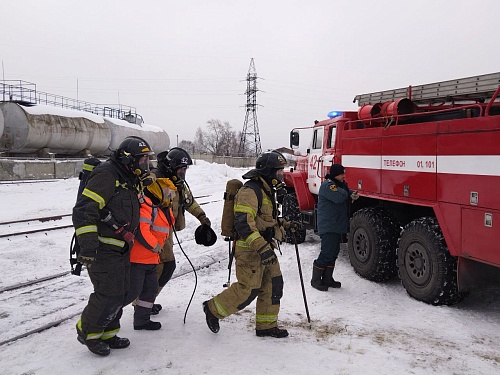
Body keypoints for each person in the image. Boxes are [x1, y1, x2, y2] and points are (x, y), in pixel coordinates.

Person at [73, 136, 154, 356]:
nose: (145, 165)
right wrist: (88, 247)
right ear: (129, 159)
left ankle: (108, 332)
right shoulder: (107, 175)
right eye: (142, 159)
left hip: (121, 247)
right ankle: (88, 332)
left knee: (124, 292)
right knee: (109, 293)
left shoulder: (129, 177)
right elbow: (84, 210)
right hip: (102, 247)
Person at [203, 150, 290, 338]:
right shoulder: (250, 191)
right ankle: (212, 309)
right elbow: (244, 224)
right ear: (268, 172)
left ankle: (266, 326)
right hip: (250, 250)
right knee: (248, 289)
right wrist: (262, 248)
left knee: (273, 284)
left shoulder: (267, 190)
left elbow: (265, 220)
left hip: (265, 247)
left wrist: (285, 225)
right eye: (278, 172)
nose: (281, 176)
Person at [145, 147, 211, 314]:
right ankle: (143, 303)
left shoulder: (178, 184)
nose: (183, 173)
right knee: (164, 266)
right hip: (153, 233)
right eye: (181, 169)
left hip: (166, 233)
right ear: (171, 167)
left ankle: (145, 302)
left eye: (185, 170)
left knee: (162, 267)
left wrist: (203, 218)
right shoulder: (156, 181)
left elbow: (189, 202)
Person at [124, 178, 176, 331]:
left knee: (150, 290)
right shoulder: (146, 205)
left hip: (151, 259)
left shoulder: (159, 207)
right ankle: (106, 318)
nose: (170, 197)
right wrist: (155, 245)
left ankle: (142, 320)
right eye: (168, 193)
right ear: (158, 192)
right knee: (131, 292)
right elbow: (142, 230)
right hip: (138, 258)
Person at [311, 163, 359, 291]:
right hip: (329, 225)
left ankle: (327, 279)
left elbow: (343, 191)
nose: (344, 176)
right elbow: (339, 197)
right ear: (335, 174)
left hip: (336, 225)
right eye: (342, 174)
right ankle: (315, 281)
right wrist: (347, 193)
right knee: (326, 252)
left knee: (334, 252)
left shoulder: (337, 185)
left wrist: (350, 192)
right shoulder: (328, 185)